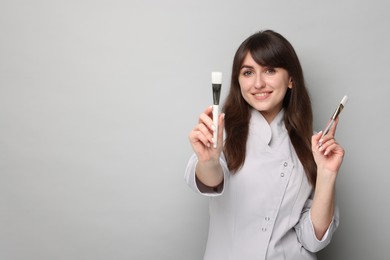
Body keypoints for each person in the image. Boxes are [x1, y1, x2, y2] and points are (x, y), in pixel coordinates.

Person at [185, 30, 344, 260]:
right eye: (248, 72)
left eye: (270, 70)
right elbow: (208, 181)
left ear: (291, 79)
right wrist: (208, 160)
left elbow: (313, 239)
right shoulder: (221, 131)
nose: (258, 83)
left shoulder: (313, 145)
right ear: (238, 81)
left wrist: (327, 174)